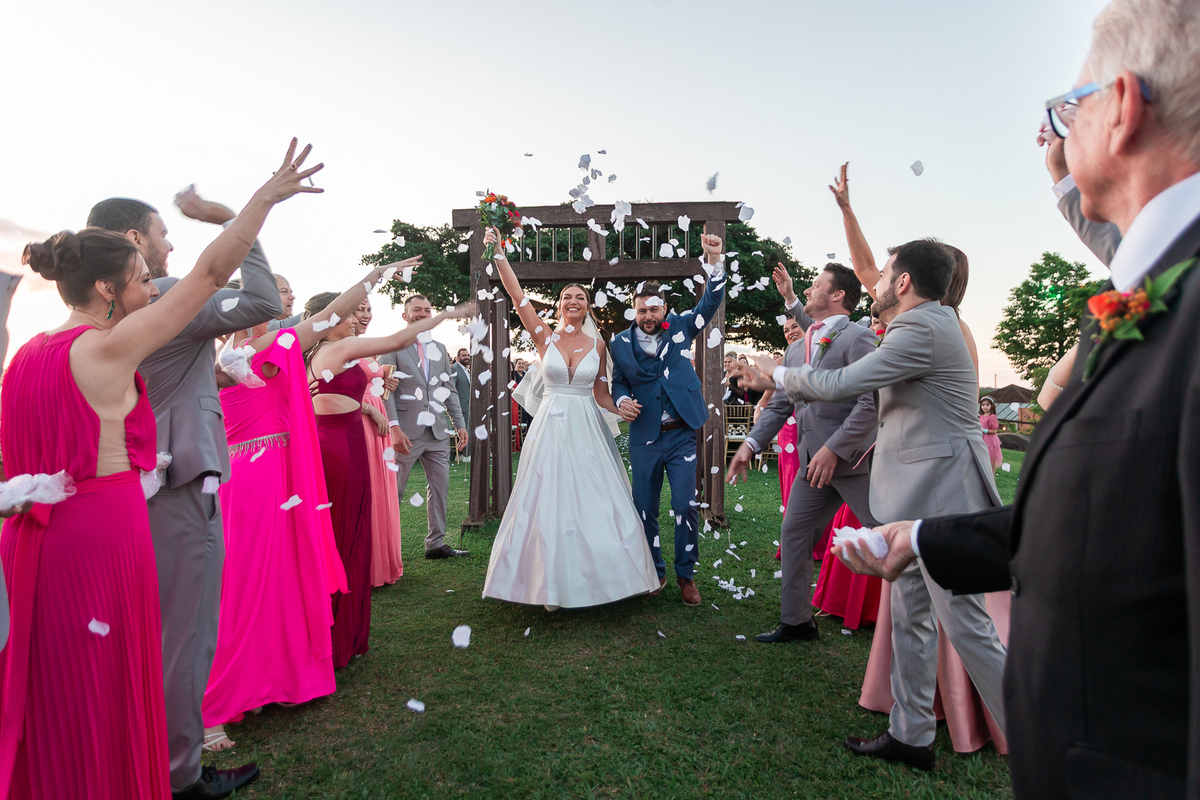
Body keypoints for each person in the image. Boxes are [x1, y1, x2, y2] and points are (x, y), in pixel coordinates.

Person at [841, 1, 1200, 793]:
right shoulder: (1164, 277)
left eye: (1068, 107)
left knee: (961, 622)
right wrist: (1069, 179)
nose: (1057, 129)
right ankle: (910, 730)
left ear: (1127, 110)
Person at [0, 141, 316, 799]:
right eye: (143, 278)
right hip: (103, 529)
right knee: (130, 662)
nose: (154, 288)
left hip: (40, 533)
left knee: (67, 675)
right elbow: (208, 275)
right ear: (109, 287)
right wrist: (258, 202)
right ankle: (150, 778)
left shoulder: (30, 355)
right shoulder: (109, 347)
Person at [737, 238, 1007, 772]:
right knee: (910, 616)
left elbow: (847, 383)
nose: (875, 284)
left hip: (945, 494)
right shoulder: (917, 324)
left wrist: (779, 376)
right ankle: (910, 735)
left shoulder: (923, 326)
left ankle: (1047, 739)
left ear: (903, 282)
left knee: (968, 627)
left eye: (883, 275)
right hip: (912, 495)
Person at [202, 265, 403, 748]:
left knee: (280, 576)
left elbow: (330, 317)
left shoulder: (277, 344)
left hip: (280, 472)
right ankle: (218, 703)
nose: (282, 302)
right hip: (246, 477)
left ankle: (277, 676)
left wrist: (375, 277)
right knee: (242, 580)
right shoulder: (228, 355)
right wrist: (376, 276)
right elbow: (330, 315)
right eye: (271, 295)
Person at [478, 227, 658, 608]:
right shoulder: (544, 337)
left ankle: (611, 578)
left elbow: (602, 393)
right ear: (559, 305)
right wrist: (498, 253)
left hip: (587, 428)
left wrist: (619, 407)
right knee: (547, 498)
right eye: (566, 297)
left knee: (597, 496)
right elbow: (516, 295)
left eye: (580, 297)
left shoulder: (598, 344)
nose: (573, 301)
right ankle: (549, 585)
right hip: (550, 426)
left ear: (588, 307)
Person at [307, 292, 470, 665]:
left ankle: (342, 628)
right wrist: (450, 311)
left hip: (350, 436)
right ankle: (336, 631)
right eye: (350, 313)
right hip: (347, 441)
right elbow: (396, 342)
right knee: (350, 526)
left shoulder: (318, 353)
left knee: (350, 527)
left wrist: (374, 391)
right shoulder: (343, 347)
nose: (357, 318)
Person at [728, 263, 878, 643]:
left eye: (815, 286)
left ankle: (928, 614)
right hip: (813, 464)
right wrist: (750, 444)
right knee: (794, 532)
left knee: (890, 534)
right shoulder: (796, 348)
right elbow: (781, 405)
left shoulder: (859, 338)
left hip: (856, 464)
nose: (807, 292)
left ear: (838, 294)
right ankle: (797, 621)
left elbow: (869, 403)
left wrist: (834, 450)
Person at [611, 233, 728, 607]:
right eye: (641, 311)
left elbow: (710, 301)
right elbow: (617, 383)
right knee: (644, 506)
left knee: (684, 506)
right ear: (634, 311)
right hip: (645, 436)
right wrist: (622, 399)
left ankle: (686, 574)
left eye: (654, 310)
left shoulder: (681, 326)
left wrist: (713, 262)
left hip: (681, 435)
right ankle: (654, 569)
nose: (648, 316)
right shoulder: (618, 343)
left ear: (664, 309)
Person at [830, 163, 979, 377]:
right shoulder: (901, 303)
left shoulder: (956, 329)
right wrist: (846, 210)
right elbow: (864, 267)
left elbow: (967, 399)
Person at [379, 295, 469, 560]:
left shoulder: (440, 349)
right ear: (405, 315)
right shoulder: (393, 345)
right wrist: (394, 427)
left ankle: (436, 544)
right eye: (416, 310)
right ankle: (385, 549)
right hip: (405, 432)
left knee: (440, 489)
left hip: (438, 433)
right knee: (394, 491)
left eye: (427, 310)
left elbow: (448, 391)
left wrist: (459, 424)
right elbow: (387, 391)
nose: (423, 314)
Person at [354, 298, 405, 587]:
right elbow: (326, 390)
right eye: (358, 310)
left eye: (368, 309)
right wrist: (368, 407)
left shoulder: (366, 347)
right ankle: (366, 566)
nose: (364, 315)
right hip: (359, 422)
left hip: (379, 423)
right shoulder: (337, 349)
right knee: (368, 489)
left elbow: (368, 384)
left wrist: (383, 385)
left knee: (383, 490)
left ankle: (383, 563)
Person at [452, 347, 472, 463]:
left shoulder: (468, 370)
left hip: (469, 406)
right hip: (461, 406)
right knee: (465, 431)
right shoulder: (455, 369)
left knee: (469, 430)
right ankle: (465, 455)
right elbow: (452, 388)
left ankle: (468, 454)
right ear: (457, 358)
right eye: (464, 355)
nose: (466, 357)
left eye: (468, 355)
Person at [979, 396, 1003, 471]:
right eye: (983, 405)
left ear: (991, 406)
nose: (985, 407)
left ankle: (992, 479)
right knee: (983, 459)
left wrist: (983, 430)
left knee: (991, 460)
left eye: (987, 405)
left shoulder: (992, 417)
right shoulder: (981, 416)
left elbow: (994, 431)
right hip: (982, 438)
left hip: (990, 440)